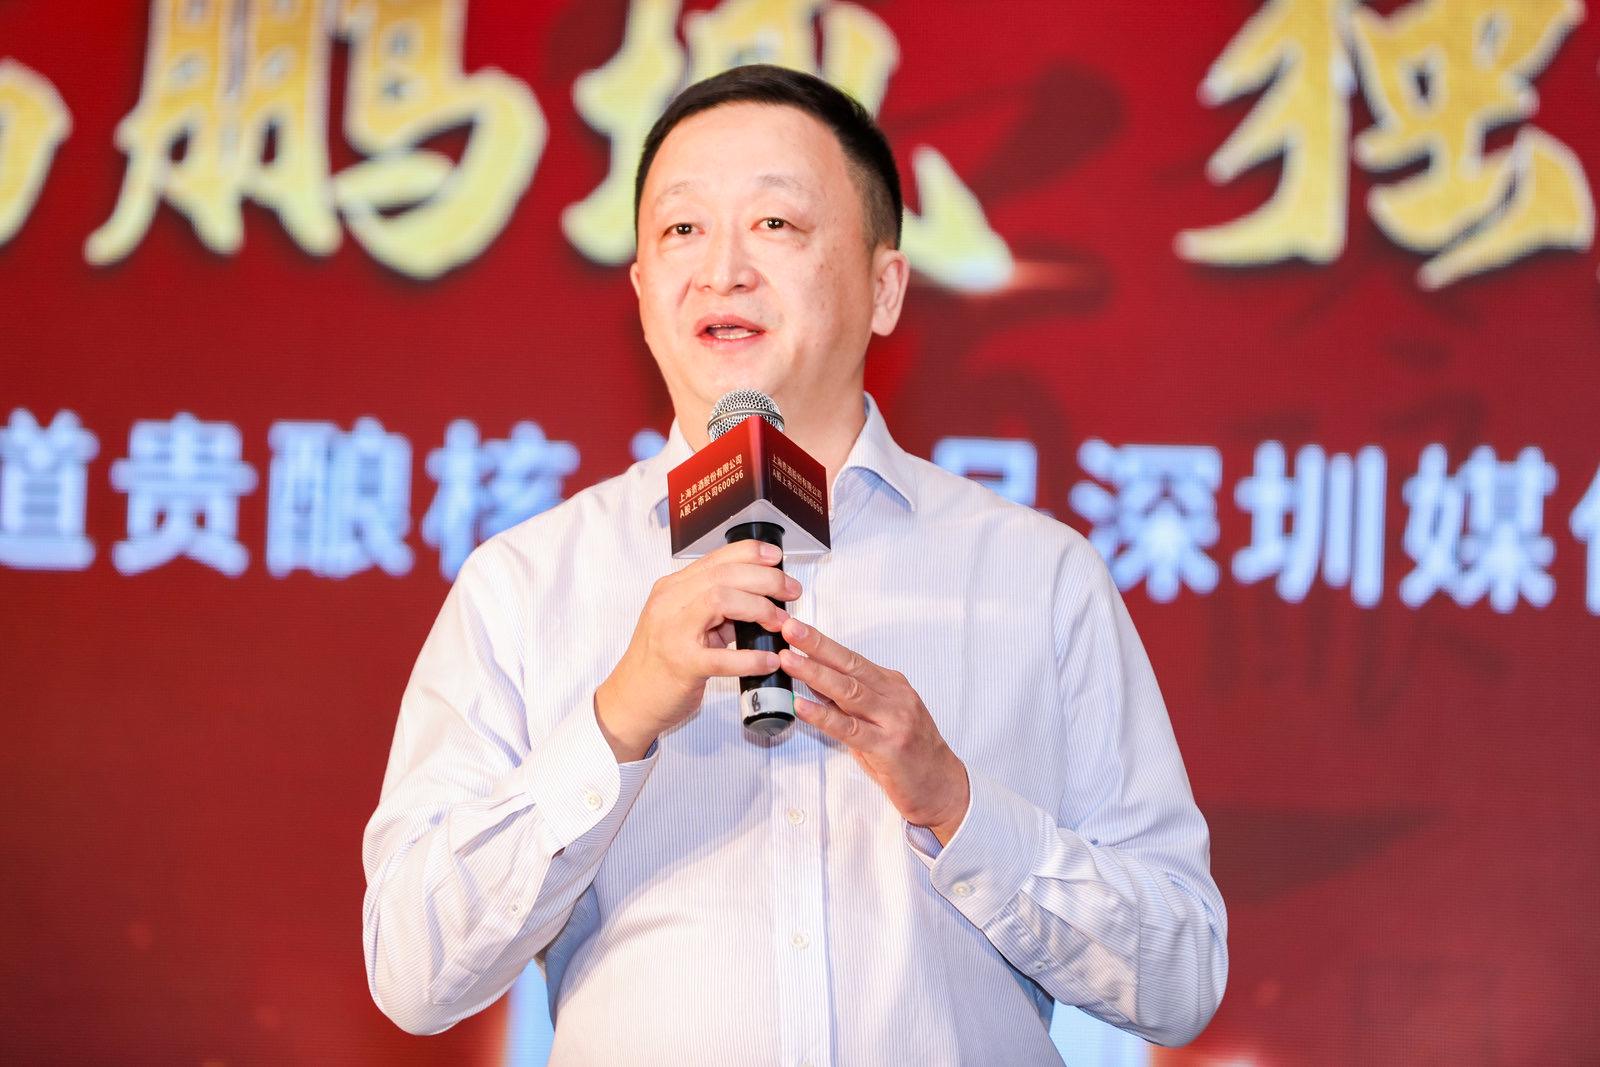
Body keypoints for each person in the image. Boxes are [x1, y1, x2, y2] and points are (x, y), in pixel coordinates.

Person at [362, 64, 1227, 1064]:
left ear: (884, 287)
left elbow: (1181, 974)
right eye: (682, 229)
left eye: (775, 223)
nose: (721, 269)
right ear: (640, 292)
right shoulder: (524, 583)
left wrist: (956, 803)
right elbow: (413, 972)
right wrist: (614, 722)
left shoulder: (1038, 578)